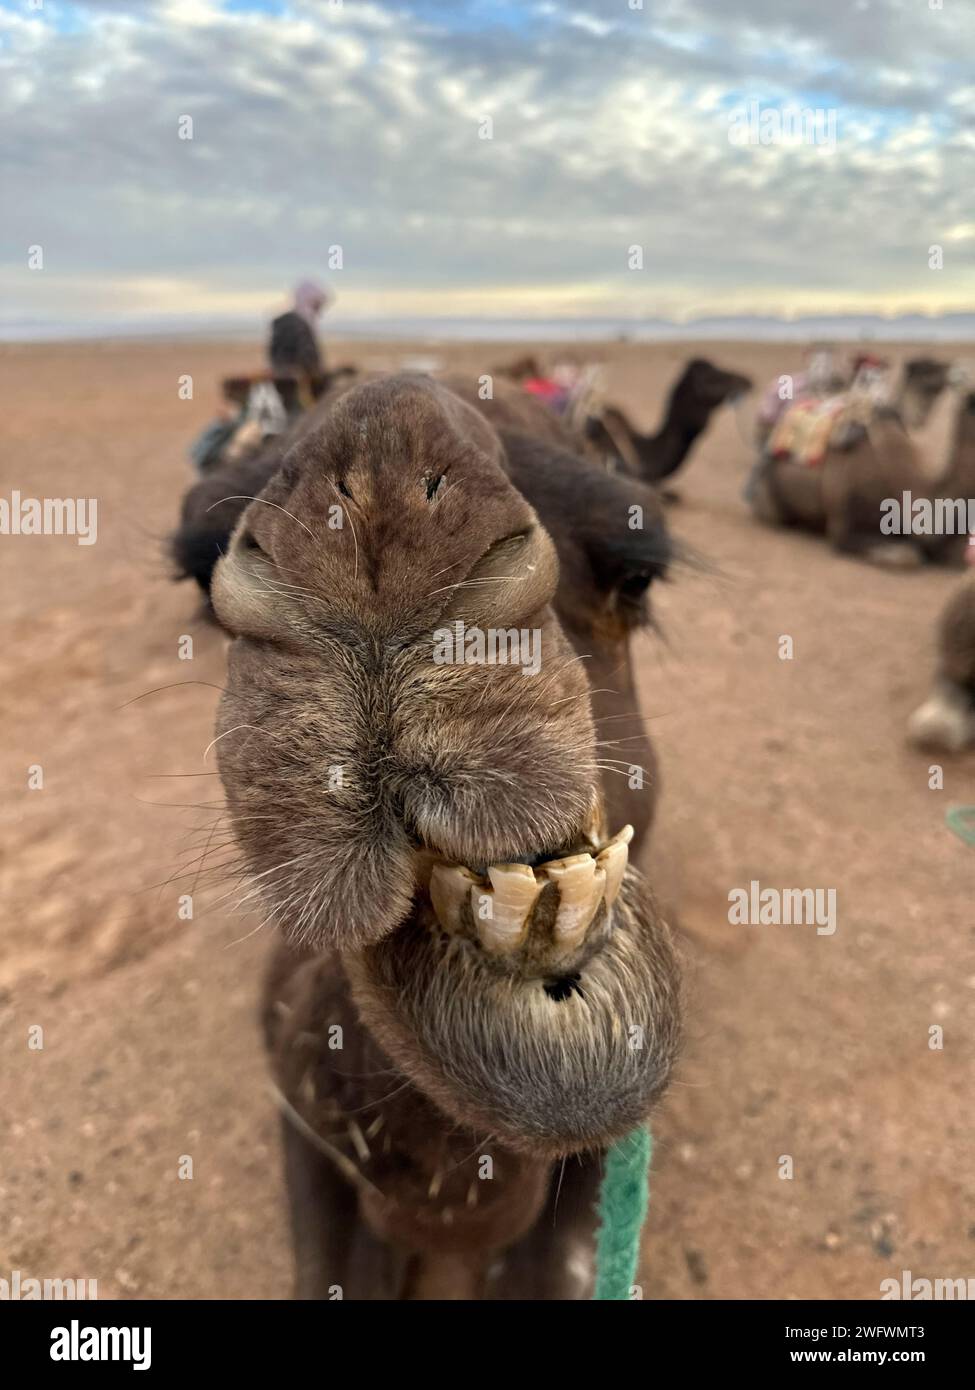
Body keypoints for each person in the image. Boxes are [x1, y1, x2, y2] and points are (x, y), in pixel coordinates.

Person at [267, 279, 331, 388]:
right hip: (298, 383)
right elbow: (308, 359)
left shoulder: (280, 320)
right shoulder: (302, 324)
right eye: (317, 304)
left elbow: (273, 354)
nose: (319, 309)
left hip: (279, 377)